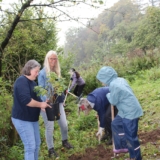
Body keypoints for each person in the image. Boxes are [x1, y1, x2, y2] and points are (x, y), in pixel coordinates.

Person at [96, 66, 143, 160]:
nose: (102, 82)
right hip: (124, 111)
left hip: (130, 113)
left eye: (102, 80)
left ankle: (136, 157)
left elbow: (113, 101)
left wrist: (108, 95)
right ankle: (124, 146)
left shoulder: (113, 85)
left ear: (106, 78)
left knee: (131, 138)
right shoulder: (120, 80)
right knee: (115, 123)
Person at [11, 60, 51, 160]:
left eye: (38, 71)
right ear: (29, 69)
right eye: (36, 71)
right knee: (30, 146)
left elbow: (37, 99)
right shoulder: (21, 81)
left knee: (37, 144)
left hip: (32, 119)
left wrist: (43, 104)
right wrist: (40, 104)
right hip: (22, 118)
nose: (37, 74)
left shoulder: (33, 83)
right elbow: (27, 101)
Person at [38, 50, 73, 159]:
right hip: (47, 104)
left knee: (64, 124)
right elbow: (41, 89)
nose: (53, 61)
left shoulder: (57, 72)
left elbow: (59, 87)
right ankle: (51, 149)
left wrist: (63, 93)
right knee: (50, 127)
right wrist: (45, 102)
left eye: (55, 59)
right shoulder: (42, 73)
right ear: (47, 60)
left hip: (58, 102)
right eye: (51, 59)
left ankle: (64, 141)